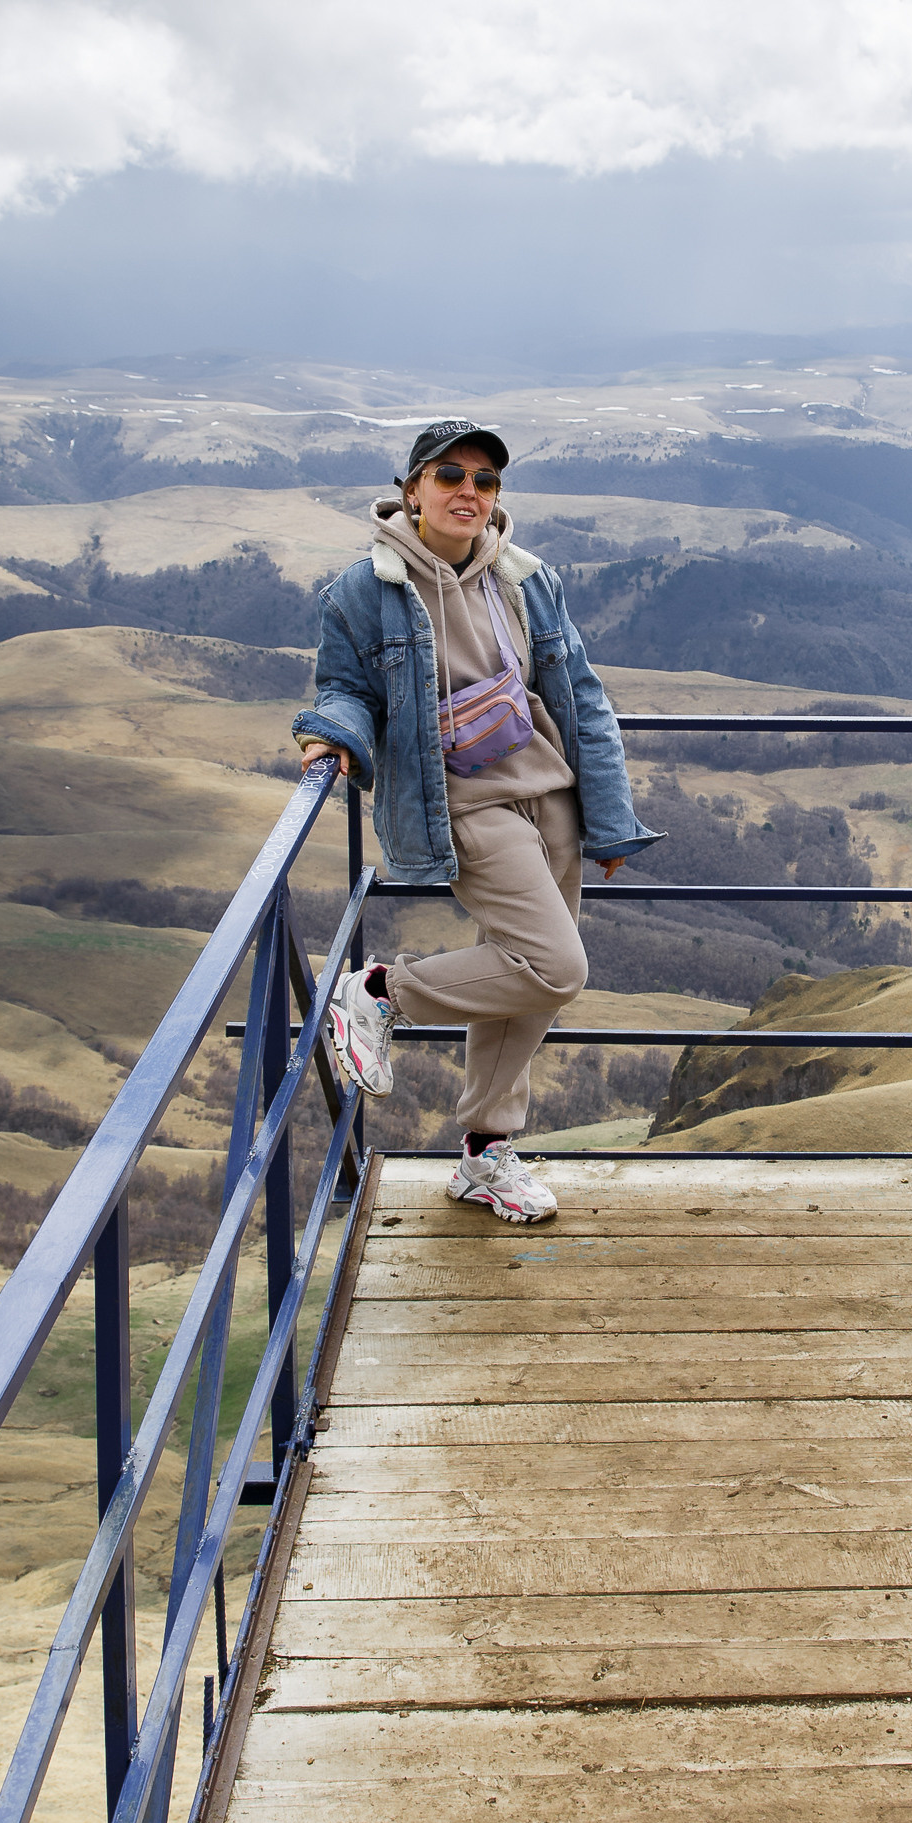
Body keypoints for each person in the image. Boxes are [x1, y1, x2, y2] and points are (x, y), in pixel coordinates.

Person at [292, 421, 657, 1223]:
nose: (469, 491)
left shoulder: (526, 579)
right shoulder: (366, 590)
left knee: (526, 985)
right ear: (412, 488)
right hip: (462, 803)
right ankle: (381, 990)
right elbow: (346, 686)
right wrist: (334, 732)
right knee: (556, 967)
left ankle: (486, 1156)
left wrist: (611, 814)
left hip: (550, 793)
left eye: (486, 480)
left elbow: (581, 697)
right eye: (450, 475)